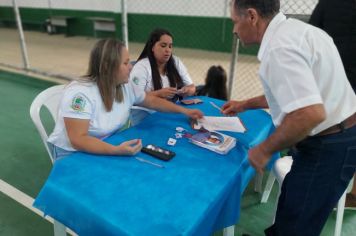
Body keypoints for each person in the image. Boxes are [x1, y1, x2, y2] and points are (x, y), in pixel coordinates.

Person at [223, 0, 356, 235]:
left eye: (235, 21)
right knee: (291, 204)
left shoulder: (279, 49)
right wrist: (245, 104)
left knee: (298, 224)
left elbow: (309, 113)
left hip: (328, 145)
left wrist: (264, 150)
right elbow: (295, 93)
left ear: (252, 16)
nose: (234, 29)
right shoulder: (299, 31)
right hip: (336, 136)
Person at [47, 38, 203, 160]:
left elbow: (151, 101)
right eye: (126, 63)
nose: (131, 67)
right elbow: (78, 140)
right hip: (72, 153)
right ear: (108, 66)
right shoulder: (79, 95)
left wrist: (185, 111)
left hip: (107, 143)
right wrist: (115, 150)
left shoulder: (124, 86)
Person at [309, 0, 356, 209]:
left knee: (327, 135)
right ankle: (351, 194)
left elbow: (311, 35)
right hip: (338, 80)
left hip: (331, 81)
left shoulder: (328, 3)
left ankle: (323, 190)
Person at [130, 28, 196, 102]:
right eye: (163, 46)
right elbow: (134, 97)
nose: (168, 50)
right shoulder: (141, 67)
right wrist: (158, 94)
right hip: (146, 111)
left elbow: (192, 88)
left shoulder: (176, 62)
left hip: (170, 108)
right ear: (152, 47)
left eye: (170, 46)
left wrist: (187, 90)